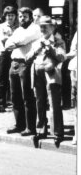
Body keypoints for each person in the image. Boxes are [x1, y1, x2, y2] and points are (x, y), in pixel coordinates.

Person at [4, 7, 41, 135]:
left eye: (24, 16)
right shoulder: (18, 30)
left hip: (26, 64)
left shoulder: (35, 28)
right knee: (15, 96)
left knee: (27, 96)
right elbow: (7, 44)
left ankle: (30, 127)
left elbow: (23, 40)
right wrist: (16, 43)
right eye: (20, 17)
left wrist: (16, 43)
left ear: (30, 18)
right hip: (14, 63)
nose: (21, 19)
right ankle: (19, 124)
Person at [30, 16, 66, 144]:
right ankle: (41, 130)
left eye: (45, 26)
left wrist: (50, 49)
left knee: (54, 103)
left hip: (51, 73)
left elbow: (62, 57)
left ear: (53, 27)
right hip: (37, 71)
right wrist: (36, 50)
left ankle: (57, 132)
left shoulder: (58, 41)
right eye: (41, 26)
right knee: (39, 102)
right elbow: (28, 57)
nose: (43, 28)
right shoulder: (37, 41)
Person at [0, 6, 18, 111]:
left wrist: (11, 39)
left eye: (12, 15)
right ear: (5, 16)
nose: (10, 17)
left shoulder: (18, 26)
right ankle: (1, 102)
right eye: (8, 15)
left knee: (15, 77)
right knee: (2, 77)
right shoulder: (0, 26)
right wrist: (14, 39)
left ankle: (15, 102)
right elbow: (2, 39)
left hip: (15, 53)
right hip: (5, 53)